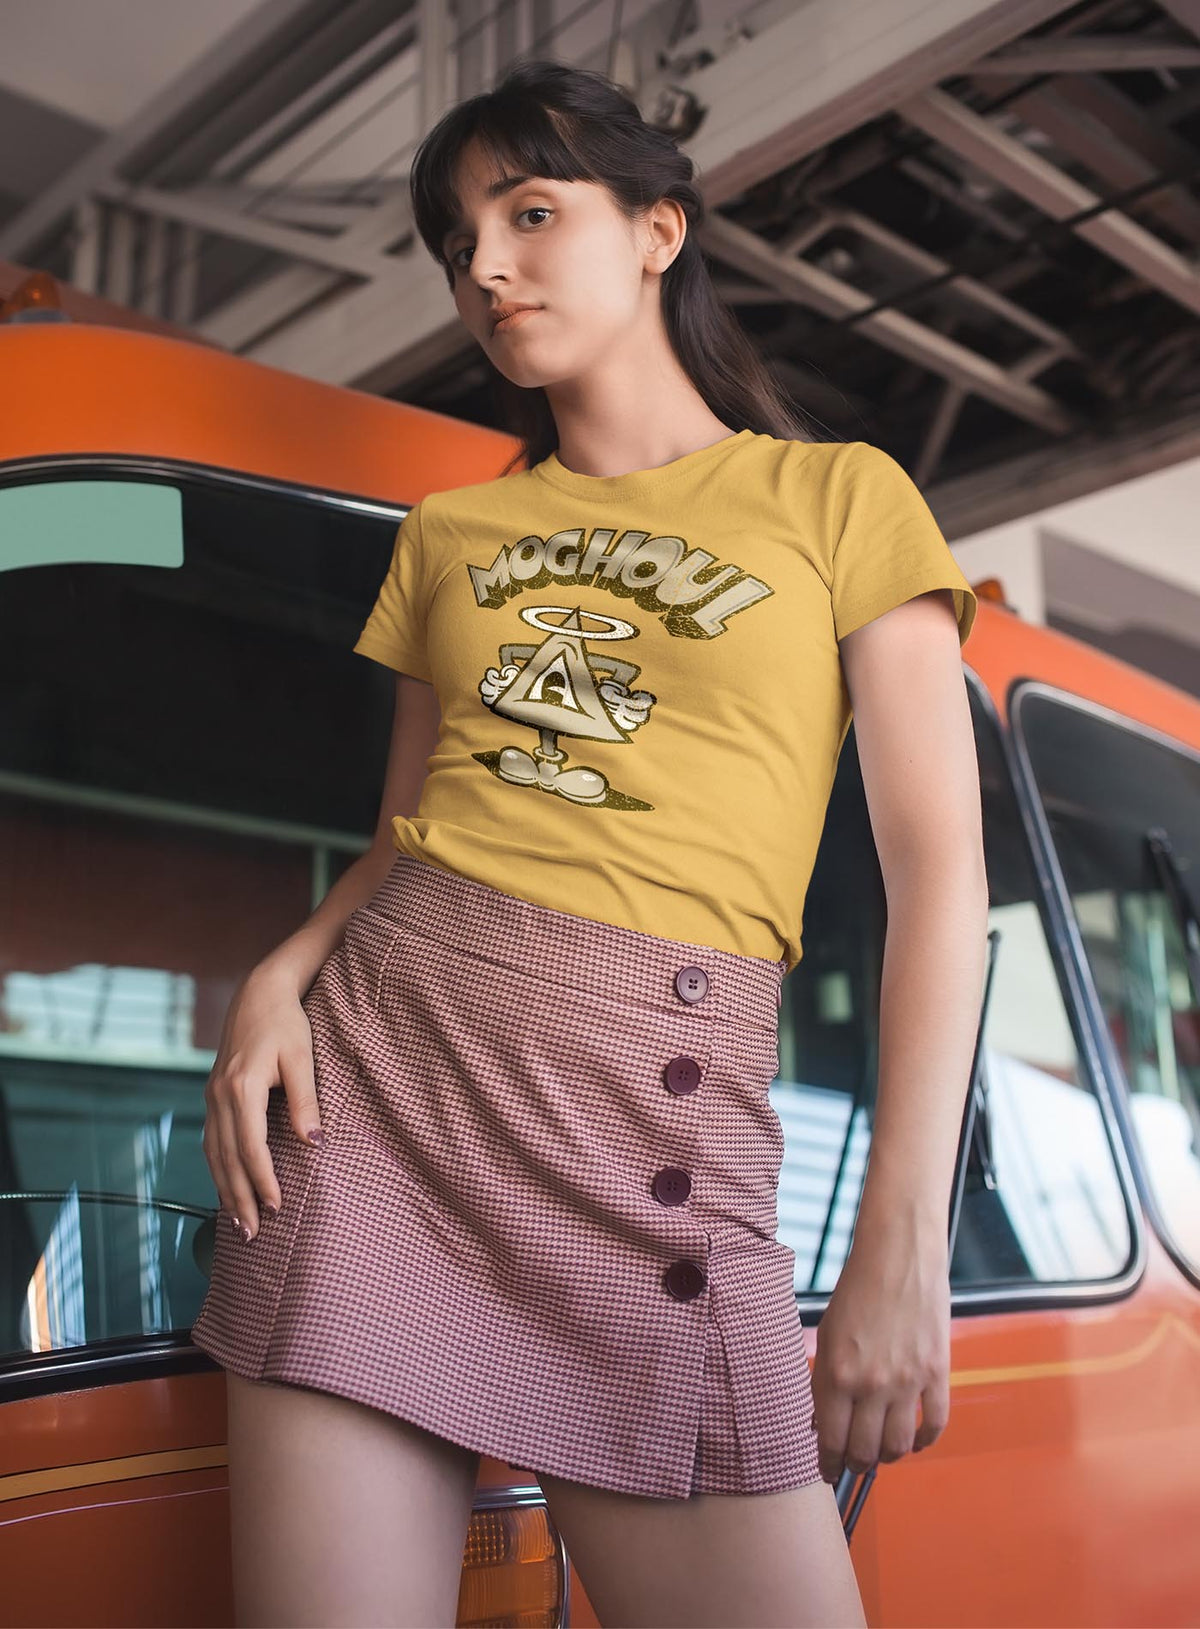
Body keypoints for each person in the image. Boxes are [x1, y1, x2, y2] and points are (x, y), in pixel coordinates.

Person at [190, 57, 988, 1629]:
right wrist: (278, 974)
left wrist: (906, 1239)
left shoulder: (837, 499)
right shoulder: (451, 535)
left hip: (659, 1123)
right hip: (379, 1104)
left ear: (659, 233)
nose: (485, 267)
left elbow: (941, 878)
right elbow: (405, 837)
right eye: (459, 242)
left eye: (531, 212)